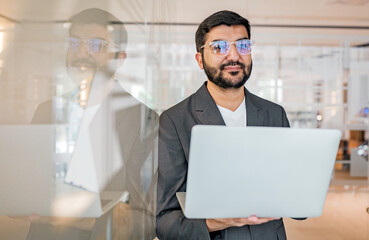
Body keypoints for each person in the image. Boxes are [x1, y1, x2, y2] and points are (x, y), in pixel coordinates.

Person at [156, 10, 290, 240]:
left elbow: (292, 194)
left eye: (243, 46)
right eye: (219, 47)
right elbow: (164, 221)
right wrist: (214, 222)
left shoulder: (274, 114)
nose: (234, 56)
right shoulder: (175, 121)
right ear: (200, 59)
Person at [29, 8, 158, 240]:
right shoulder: (46, 111)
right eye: (74, 43)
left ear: (120, 59)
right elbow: (26, 192)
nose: (81, 53)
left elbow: (146, 217)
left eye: (96, 45)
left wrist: (81, 218)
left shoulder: (144, 120)